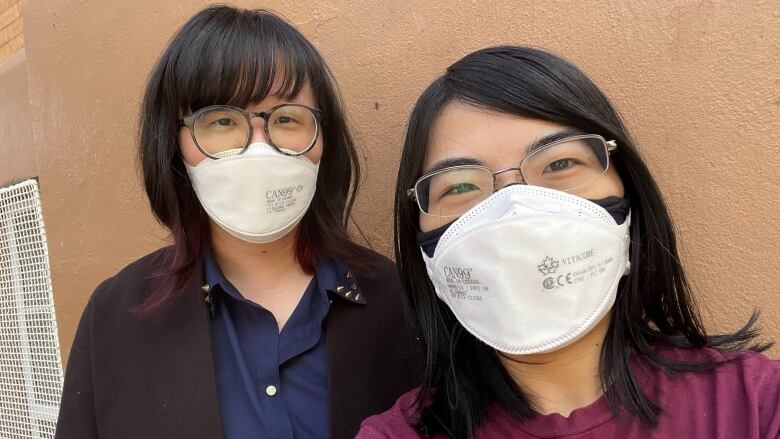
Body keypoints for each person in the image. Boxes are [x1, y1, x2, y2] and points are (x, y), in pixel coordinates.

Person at [358, 46, 779, 438]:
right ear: (424, 253)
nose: (514, 211)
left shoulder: (756, 405)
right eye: (461, 186)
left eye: (560, 163)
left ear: (629, 196)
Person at [56, 6, 419, 439]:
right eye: (223, 121)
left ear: (325, 141)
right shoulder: (115, 317)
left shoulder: (398, 304)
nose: (258, 147)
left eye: (286, 118)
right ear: (174, 145)